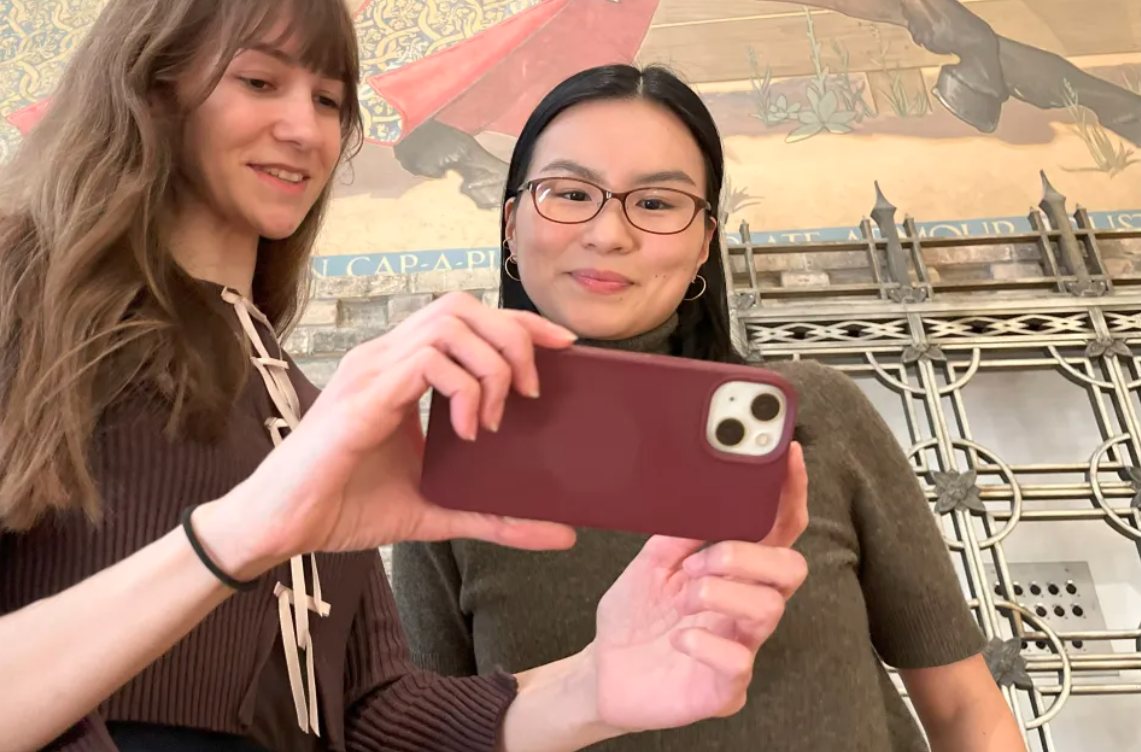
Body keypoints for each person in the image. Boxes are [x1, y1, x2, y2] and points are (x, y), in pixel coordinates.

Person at [0, 3, 813, 752]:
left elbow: (380, 715)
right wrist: (245, 529)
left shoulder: (300, 394)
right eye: (260, 82)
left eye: (331, 100)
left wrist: (600, 680)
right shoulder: (0, 276)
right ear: (152, 84)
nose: (309, 128)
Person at [391, 64, 1027, 752]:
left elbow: (967, 709)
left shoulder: (817, 417)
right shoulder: (459, 463)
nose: (608, 233)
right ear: (512, 223)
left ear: (703, 243)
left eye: (658, 203)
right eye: (571, 193)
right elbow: (428, 735)